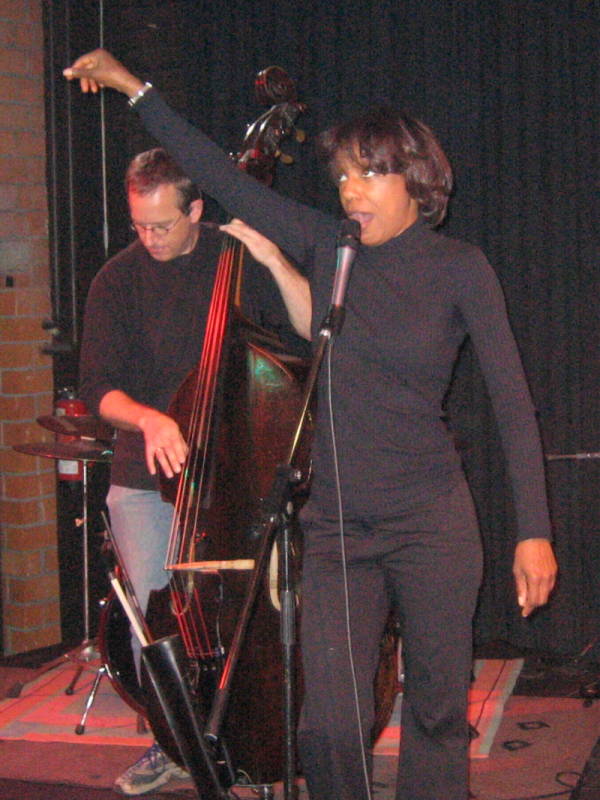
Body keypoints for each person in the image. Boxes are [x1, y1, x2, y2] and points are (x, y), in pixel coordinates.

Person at [66, 51, 558, 800]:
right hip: (337, 530)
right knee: (328, 724)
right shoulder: (336, 252)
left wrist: (534, 530)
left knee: (434, 713)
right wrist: (140, 94)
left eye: (367, 173)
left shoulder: (463, 268)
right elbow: (225, 180)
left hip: (432, 521)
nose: (348, 189)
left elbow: (513, 405)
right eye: (343, 176)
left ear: (414, 179)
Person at [78, 146, 311, 796]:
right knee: (163, 623)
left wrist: (273, 258)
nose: (148, 238)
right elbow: (98, 387)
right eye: (138, 225)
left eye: (161, 225)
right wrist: (152, 418)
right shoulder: (117, 281)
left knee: (247, 619)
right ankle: (174, 743)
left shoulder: (231, 256)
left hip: (237, 476)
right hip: (143, 474)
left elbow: (305, 333)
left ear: (198, 210)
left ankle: (264, 741)